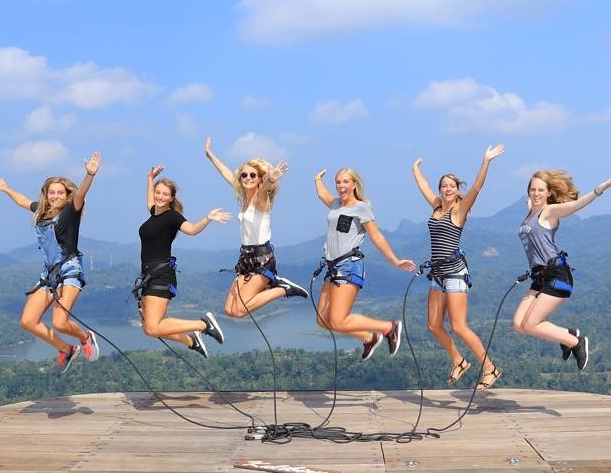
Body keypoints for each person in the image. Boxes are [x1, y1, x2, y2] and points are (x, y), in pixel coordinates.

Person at [0, 152, 102, 375]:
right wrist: (6, 190)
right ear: (46, 194)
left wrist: (89, 175)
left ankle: (85, 337)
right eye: (51, 192)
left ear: (66, 196)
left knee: (60, 323)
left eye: (59, 193)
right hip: (48, 273)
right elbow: (23, 201)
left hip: (70, 270)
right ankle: (66, 349)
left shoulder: (71, 212)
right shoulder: (41, 212)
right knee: (28, 321)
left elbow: (81, 194)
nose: (55, 196)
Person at [412, 145, 505, 389]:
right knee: (433, 325)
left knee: (458, 326)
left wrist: (485, 161)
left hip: (455, 273)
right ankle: (459, 361)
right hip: (437, 274)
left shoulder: (459, 210)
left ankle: (490, 368)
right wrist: (415, 170)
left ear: (456, 190)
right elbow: (423, 187)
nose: (447, 189)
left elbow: (477, 187)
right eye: (443, 186)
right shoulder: (436, 207)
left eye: (451, 186)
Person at [513, 170, 611, 370]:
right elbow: (532, 209)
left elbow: (575, 206)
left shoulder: (549, 212)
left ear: (548, 193)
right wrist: (532, 205)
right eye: (532, 189)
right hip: (539, 277)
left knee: (530, 325)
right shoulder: (532, 211)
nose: (536, 193)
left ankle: (576, 342)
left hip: (557, 275)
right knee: (519, 324)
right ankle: (567, 335)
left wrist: (598, 190)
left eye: (540, 190)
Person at [313, 167, 416, 360]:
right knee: (322, 320)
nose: (341, 186)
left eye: (345, 181)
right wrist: (317, 179)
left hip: (348, 266)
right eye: (338, 182)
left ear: (354, 185)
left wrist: (395, 260)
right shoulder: (336, 205)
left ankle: (389, 327)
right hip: (332, 267)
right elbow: (323, 195)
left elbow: (376, 236)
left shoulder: (362, 207)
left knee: (337, 320)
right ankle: (370, 337)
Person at [203, 137, 309, 318]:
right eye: (244, 175)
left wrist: (270, 179)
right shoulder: (245, 198)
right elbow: (227, 173)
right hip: (245, 259)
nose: (247, 178)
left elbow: (264, 188)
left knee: (239, 310)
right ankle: (273, 286)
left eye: (253, 175)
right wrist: (210, 155)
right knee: (229, 310)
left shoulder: (261, 199)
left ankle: (283, 289)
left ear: (259, 178)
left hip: (261, 258)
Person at [136, 165, 230, 357]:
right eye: (157, 192)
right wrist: (149, 179)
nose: (160, 196)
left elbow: (193, 230)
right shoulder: (154, 212)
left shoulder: (172, 216)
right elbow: (149, 202)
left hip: (161, 275)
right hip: (148, 275)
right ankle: (192, 341)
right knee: (148, 329)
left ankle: (204, 324)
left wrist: (207, 218)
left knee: (154, 327)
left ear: (171, 198)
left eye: (164, 194)